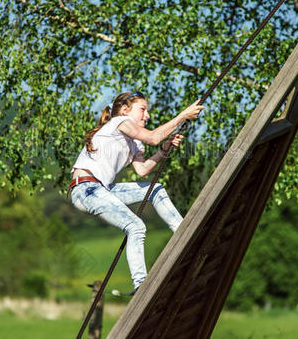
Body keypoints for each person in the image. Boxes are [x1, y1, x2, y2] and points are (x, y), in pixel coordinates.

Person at [69, 91, 204, 294]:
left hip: (102, 189)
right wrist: (183, 116)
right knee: (135, 226)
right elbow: (153, 137)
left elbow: (142, 170)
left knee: (155, 189)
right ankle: (141, 283)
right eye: (142, 109)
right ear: (124, 110)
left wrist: (164, 149)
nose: (147, 115)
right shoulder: (118, 122)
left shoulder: (133, 142)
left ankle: (184, 232)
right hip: (86, 189)